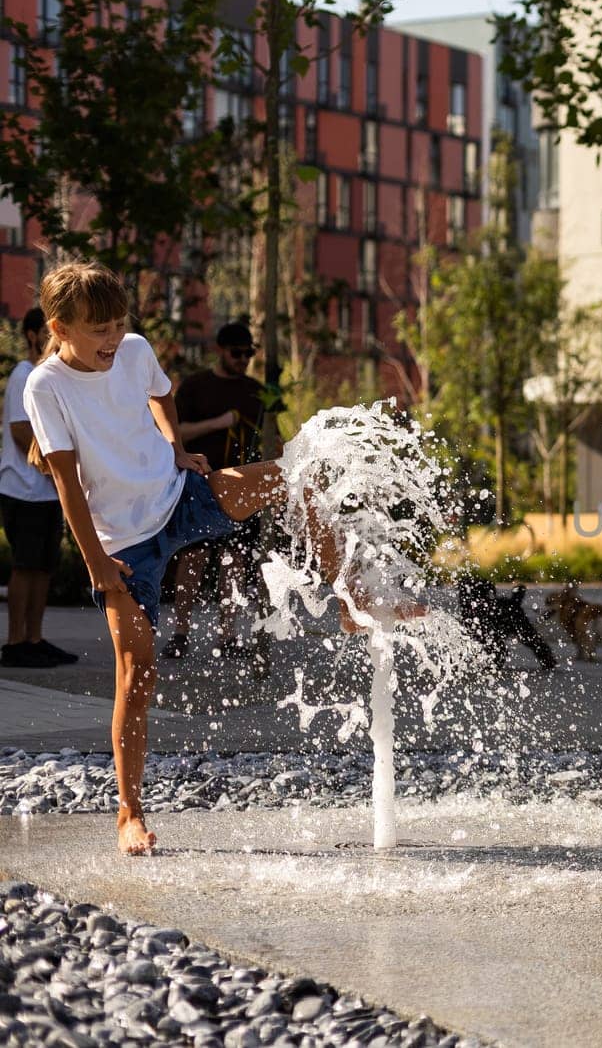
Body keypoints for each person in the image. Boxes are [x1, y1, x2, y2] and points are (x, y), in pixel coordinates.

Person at [24, 261, 422, 855]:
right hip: (125, 546)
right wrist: (98, 567)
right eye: (98, 328)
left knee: (298, 478)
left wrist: (177, 449)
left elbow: (161, 393)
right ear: (60, 326)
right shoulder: (45, 387)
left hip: (180, 495)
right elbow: (67, 488)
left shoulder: (132, 351)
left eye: (117, 323)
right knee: (137, 675)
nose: (111, 337)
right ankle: (128, 813)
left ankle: (350, 597)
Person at [162, 322, 266, 665]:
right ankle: (180, 633)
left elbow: (267, 438)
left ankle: (228, 634)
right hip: (200, 483)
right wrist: (218, 423)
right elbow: (175, 433)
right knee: (193, 557)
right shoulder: (196, 387)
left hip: (241, 489)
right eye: (237, 353)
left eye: (248, 354)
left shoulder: (256, 391)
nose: (243, 360)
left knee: (234, 559)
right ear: (220, 350)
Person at [0, 308, 76, 668]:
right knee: (25, 564)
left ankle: (35, 637)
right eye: (46, 334)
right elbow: (19, 431)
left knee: (45, 565)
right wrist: (53, 465)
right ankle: (15, 641)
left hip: (48, 491)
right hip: (24, 490)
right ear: (32, 335)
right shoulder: (23, 374)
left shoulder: (52, 377)